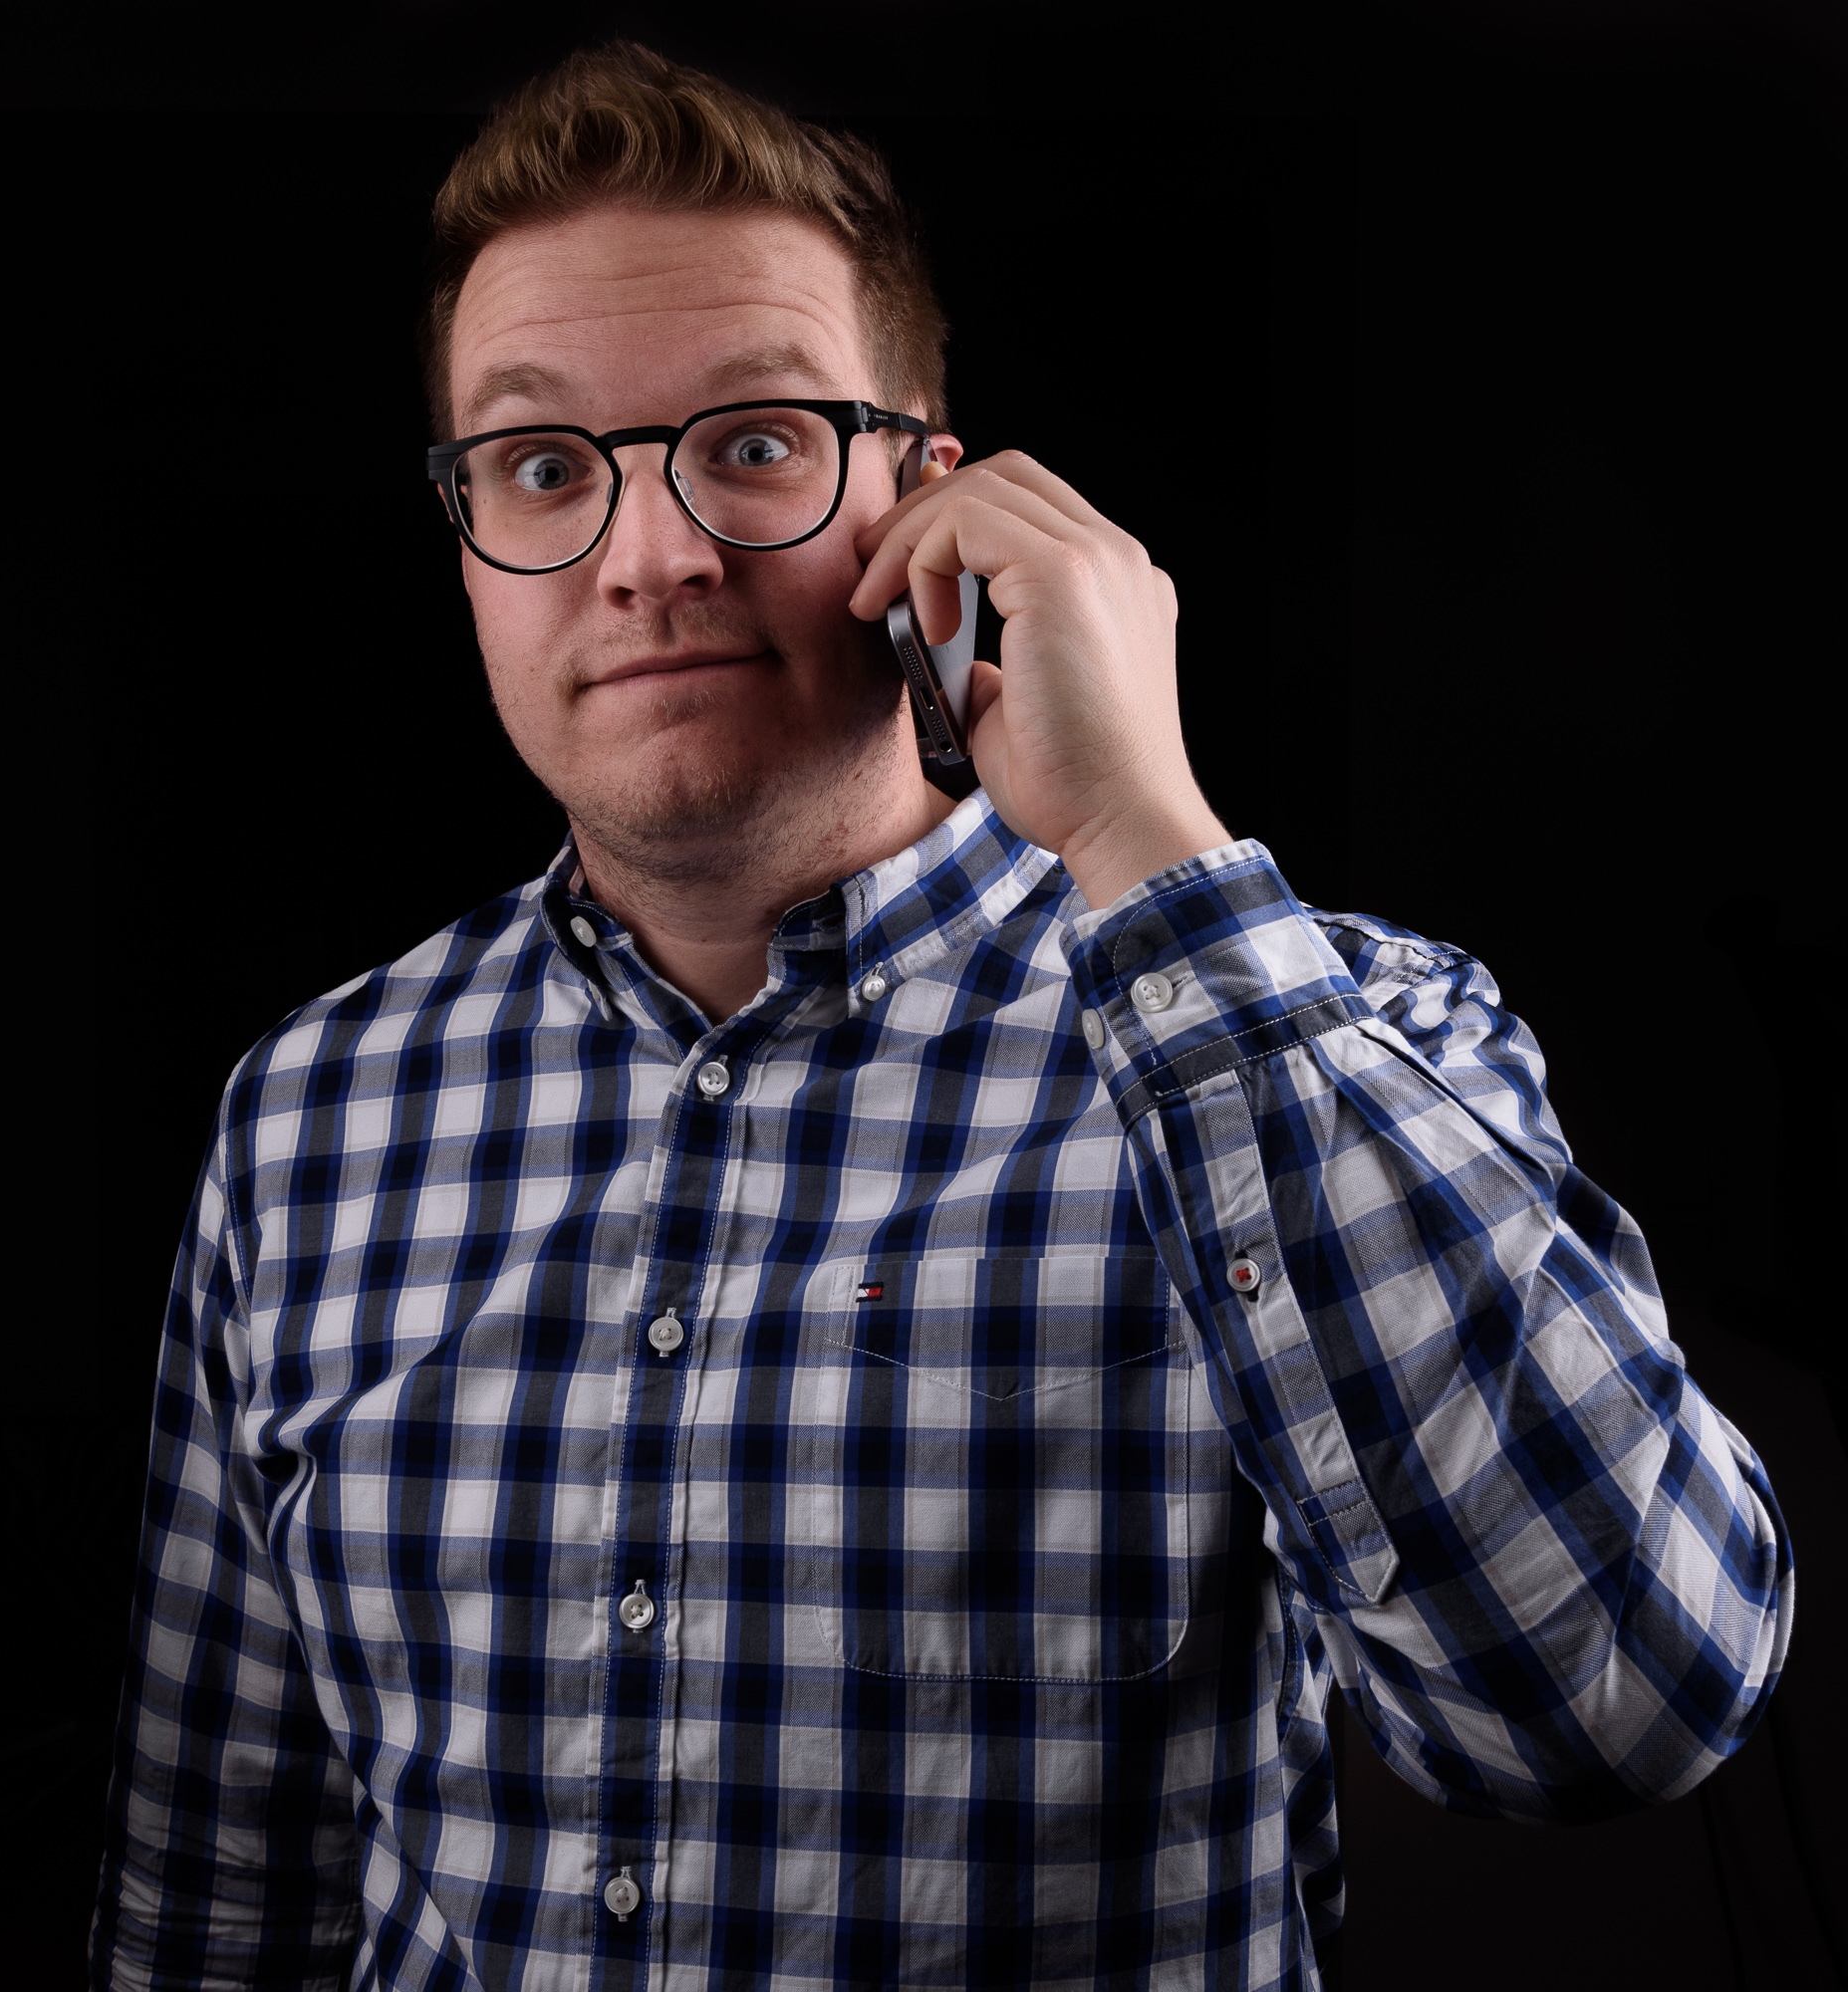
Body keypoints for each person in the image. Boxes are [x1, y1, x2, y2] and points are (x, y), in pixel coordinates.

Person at [92, 42, 1791, 1992]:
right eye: (545, 467)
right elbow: (215, 1903)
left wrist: (1145, 835)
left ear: (931, 495)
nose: (651, 557)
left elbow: (1622, 1703)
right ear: (467, 536)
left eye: (753, 442)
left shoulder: (1351, 1034)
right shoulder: (309, 1117)